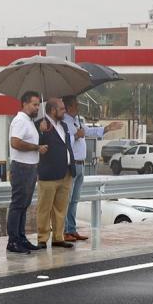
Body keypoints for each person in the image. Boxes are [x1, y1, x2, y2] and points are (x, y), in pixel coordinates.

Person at [35, 98, 75, 249]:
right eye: (62, 109)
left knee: (61, 207)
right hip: (49, 173)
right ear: (53, 110)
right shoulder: (42, 125)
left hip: (66, 172)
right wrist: (41, 131)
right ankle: (42, 238)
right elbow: (36, 143)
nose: (65, 111)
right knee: (44, 207)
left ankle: (58, 237)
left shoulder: (63, 125)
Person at [5, 90, 43, 255]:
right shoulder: (20, 120)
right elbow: (15, 142)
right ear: (25, 103)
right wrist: (36, 147)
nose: (37, 108)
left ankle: (21, 237)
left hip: (30, 166)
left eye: (38, 105)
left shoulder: (29, 121)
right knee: (18, 204)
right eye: (35, 105)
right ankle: (13, 240)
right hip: (22, 167)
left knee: (24, 204)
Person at [61, 96, 90, 243]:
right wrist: (75, 136)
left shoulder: (76, 120)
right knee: (67, 199)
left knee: (75, 200)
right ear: (68, 107)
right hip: (71, 165)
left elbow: (88, 132)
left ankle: (72, 229)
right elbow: (64, 143)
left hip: (81, 164)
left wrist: (106, 129)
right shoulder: (64, 122)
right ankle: (65, 230)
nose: (78, 107)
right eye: (76, 104)